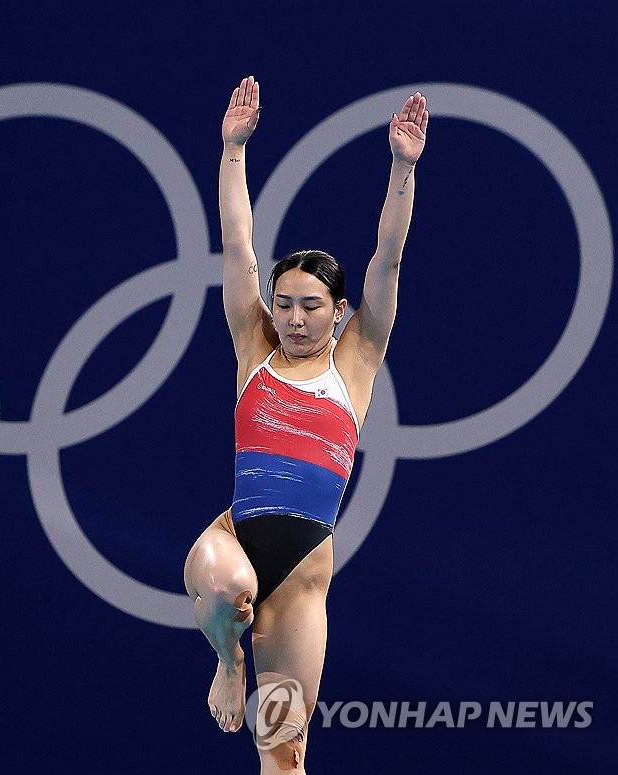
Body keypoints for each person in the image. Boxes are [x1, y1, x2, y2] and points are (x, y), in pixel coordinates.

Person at [183, 76, 428, 772]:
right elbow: (238, 243)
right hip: (233, 540)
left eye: (310, 306)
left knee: (285, 753)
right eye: (284, 303)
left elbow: (390, 257)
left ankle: (247, 671)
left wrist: (403, 167)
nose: (293, 318)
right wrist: (233, 150)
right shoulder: (253, 347)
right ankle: (228, 663)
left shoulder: (356, 363)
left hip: (302, 577)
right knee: (230, 588)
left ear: (339, 311)